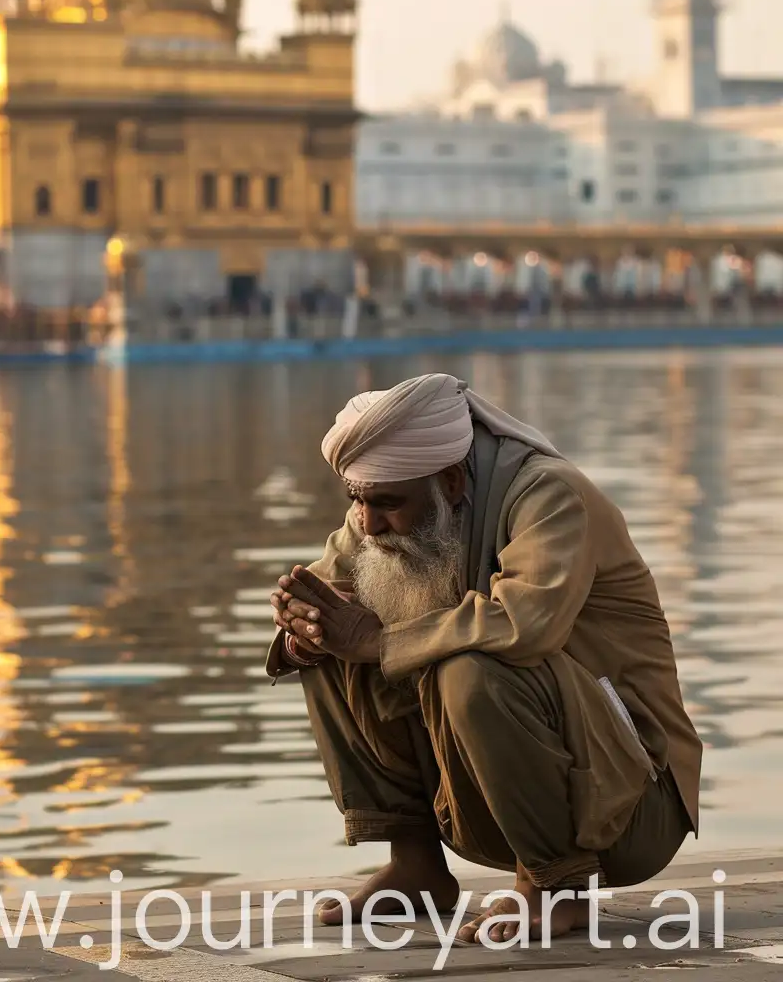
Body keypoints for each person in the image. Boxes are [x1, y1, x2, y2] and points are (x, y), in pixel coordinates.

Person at [269, 374, 698, 944]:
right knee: (332, 645)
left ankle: (558, 891)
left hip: (631, 803)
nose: (368, 523)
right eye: (358, 501)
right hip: (495, 807)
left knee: (470, 666)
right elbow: (334, 592)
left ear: (449, 481)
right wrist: (305, 629)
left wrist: (378, 642)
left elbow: (529, 624)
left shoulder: (549, 496)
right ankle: (417, 865)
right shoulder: (384, 505)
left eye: (386, 505)